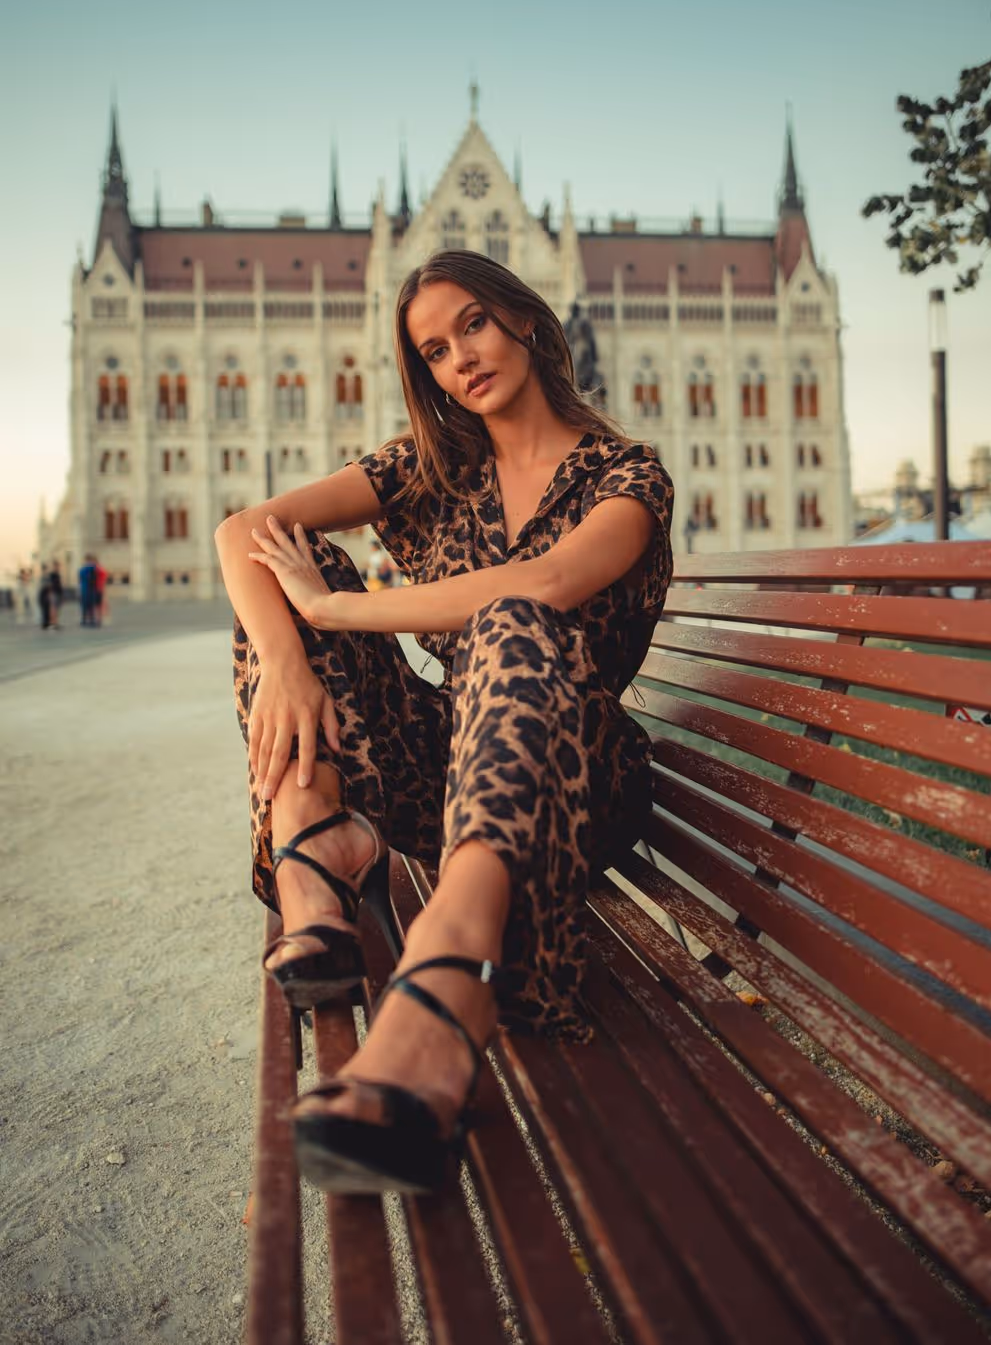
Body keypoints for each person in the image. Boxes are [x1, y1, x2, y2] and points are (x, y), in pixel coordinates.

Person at [215, 250, 673, 1197]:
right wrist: (290, 666)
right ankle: (316, 843)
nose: (460, 357)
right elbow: (242, 533)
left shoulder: (627, 477)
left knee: (506, 617)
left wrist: (337, 613)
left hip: (577, 781)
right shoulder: (434, 466)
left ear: (527, 324)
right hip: (454, 773)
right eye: (433, 349)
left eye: (473, 324)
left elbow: (544, 584)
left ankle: (445, 977)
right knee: (294, 579)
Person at [78, 554, 97, 626]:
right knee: (90, 606)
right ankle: (91, 620)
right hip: (90, 589)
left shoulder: (82, 569)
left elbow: (79, 580)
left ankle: (84, 620)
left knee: (84, 606)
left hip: (84, 589)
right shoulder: (92, 568)